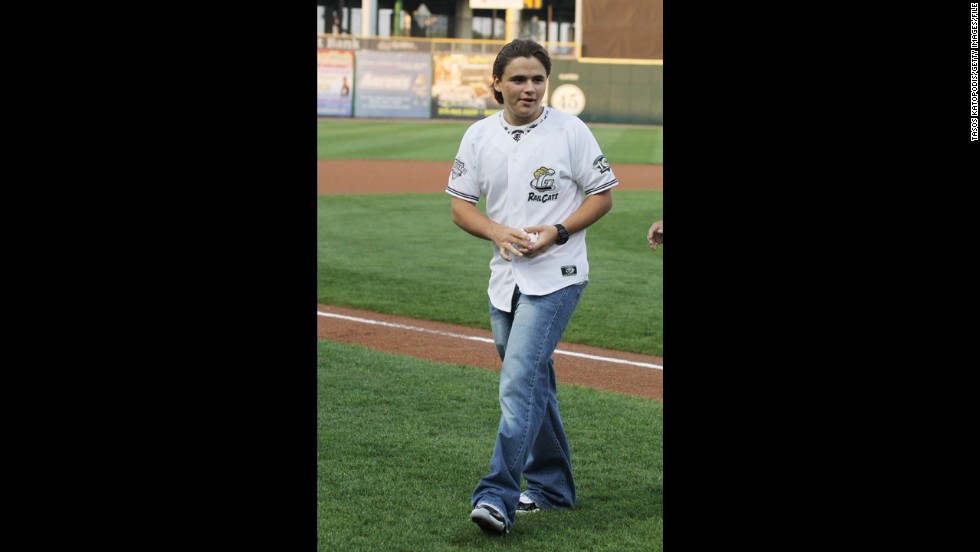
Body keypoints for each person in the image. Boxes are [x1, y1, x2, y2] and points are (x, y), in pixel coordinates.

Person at [445, 38, 618, 535]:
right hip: (504, 278)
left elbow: (602, 196)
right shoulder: (478, 136)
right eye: (518, 79)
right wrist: (496, 231)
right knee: (532, 378)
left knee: (519, 377)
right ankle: (552, 487)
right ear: (496, 83)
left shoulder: (570, 130)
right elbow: (461, 206)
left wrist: (558, 231)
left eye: (538, 79)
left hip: (558, 275)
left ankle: (496, 494)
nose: (530, 88)